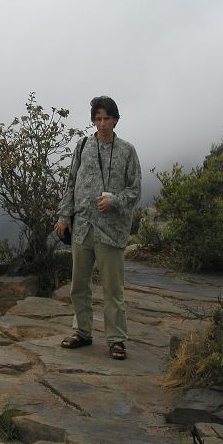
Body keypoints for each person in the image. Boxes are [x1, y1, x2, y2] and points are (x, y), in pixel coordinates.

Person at [54, 96, 141, 360]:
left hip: (111, 230)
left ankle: (116, 340)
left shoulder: (127, 151)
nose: (102, 124)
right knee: (78, 286)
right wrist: (64, 216)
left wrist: (114, 201)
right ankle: (82, 332)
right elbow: (71, 183)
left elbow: (135, 190)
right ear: (93, 121)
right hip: (82, 227)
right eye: (98, 119)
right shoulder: (82, 146)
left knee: (112, 289)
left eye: (107, 118)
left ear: (115, 120)